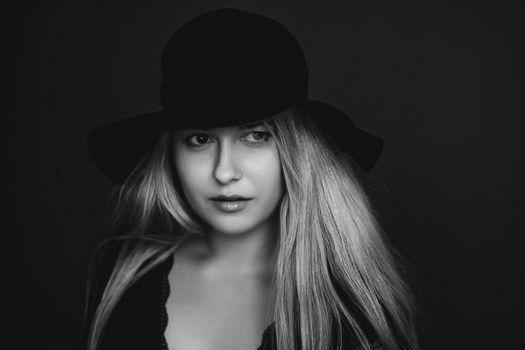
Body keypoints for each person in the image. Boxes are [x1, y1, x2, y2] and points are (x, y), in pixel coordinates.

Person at [84, 8, 419, 350]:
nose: (225, 172)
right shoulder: (125, 275)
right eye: (200, 139)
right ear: (170, 153)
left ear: (298, 151)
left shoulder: (354, 314)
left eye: (256, 136)